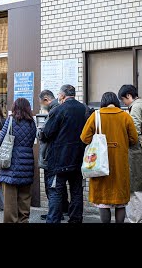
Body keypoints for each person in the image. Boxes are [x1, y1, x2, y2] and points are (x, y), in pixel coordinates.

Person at [80, 92, 138, 223]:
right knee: (121, 201)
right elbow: (134, 139)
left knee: (103, 201)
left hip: (100, 163)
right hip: (120, 163)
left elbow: (84, 138)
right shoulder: (125, 116)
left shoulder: (96, 115)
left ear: (103, 102)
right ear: (116, 102)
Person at [40, 84, 87, 223]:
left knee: (56, 191)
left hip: (59, 159)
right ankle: (76, 219)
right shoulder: (84, 109)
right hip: (79, 158)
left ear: (61, 95)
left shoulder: (59, 110)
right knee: (76, 192)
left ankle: (53, 220)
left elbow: (47, 133)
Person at [118, 84, 142, 223]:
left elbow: (133, 132)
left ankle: (135, 220)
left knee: (135, 188)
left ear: (128, 96)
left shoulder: (136, 107)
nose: (123, 103)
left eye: (123, 100)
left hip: (136, 150)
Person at [0, 98, 37, 223]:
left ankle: (11, 221)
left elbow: (1, 140)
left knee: (10, 199)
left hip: (11, 163)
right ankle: (23, 221)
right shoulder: (32, 123)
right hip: (27, 163)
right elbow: (32, 141)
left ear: (15, 107)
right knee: (25, 197)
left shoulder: (11, 120)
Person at [37, 90, 69, 220]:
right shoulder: (59, 108)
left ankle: (55, 214)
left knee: (52, 187)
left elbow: (46, 133)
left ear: (46, 99)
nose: (42, 106)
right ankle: (60, 211)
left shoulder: (54, 111)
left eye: (41, 103)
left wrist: (39, 131)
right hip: (60, 154)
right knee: (59, 186)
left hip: (50, 155)